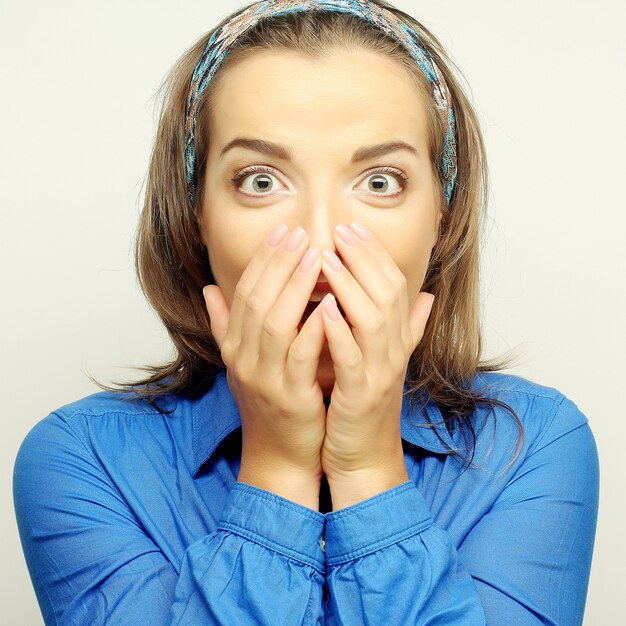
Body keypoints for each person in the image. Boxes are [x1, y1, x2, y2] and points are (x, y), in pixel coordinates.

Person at [13, 1, 599, 624]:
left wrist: (368, 467)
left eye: (380, 182)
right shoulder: (82, 459)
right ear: (196, 214)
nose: (320, 241)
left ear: (443, 217)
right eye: (260, 180)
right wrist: (277, 467)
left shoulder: (530, 447)